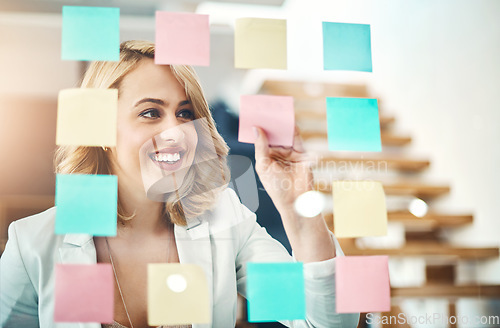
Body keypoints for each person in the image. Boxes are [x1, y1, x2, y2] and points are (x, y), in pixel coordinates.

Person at [0, 40, 360, 328]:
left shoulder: (226, 221)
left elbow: (327, 321)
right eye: (150, 113)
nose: (176, 132)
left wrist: (298, 204)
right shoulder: (33, 241)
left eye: (185, 113)